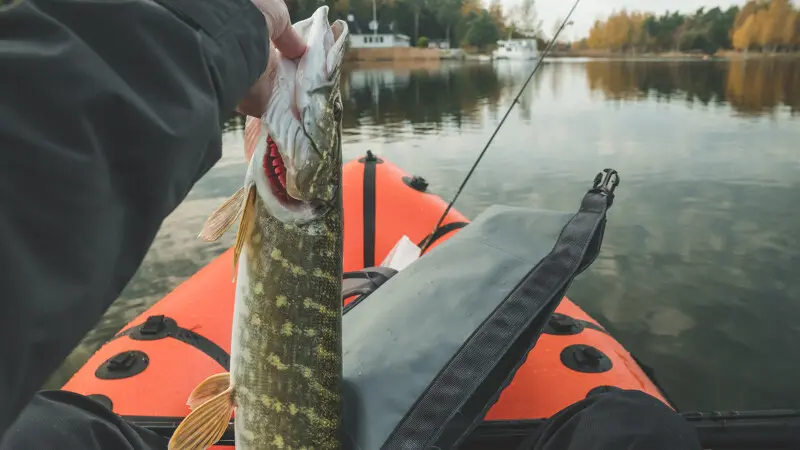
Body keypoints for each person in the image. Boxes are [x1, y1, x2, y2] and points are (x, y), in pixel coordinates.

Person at [0, 0, 703, 448]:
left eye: (324, 113)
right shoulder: (288, 192)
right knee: (635, 429)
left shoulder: (285, 192)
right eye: (326, 114)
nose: (320, 109)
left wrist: (203, 39)